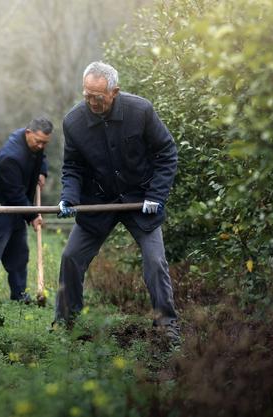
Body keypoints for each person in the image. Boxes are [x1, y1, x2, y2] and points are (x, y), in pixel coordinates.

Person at [55, 61, 180, 344]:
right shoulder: (74, 122)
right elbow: (72, 167)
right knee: (71, 257)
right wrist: (69, 197)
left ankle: (167, 325)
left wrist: (156, 195)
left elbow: (167, 153)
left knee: (155, 261)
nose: (91, 101)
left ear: (115, 91)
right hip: (98, 202)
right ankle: (66, 322)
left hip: (140, 200)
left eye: (97, 96)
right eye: (86, 95)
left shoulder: (141, 111)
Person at [0, 117, 53, 306]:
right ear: (28, 133)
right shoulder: (11, 157)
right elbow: (15, 193)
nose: (41, 146)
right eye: (38, 141)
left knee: (19, 254)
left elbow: (40, 157)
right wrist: (33, 215)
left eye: (45, 142)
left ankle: (20, 296)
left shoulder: (32, 143)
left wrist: (42, 171)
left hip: (16, 207)